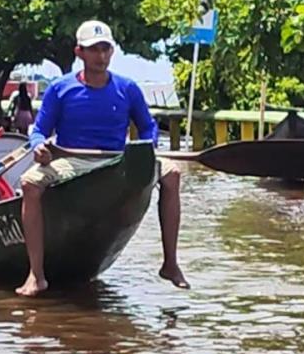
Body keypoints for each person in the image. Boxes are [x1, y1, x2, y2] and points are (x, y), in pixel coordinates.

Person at [15, 20, 188, 297]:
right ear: (79, 53)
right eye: (94, 50)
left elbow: (147, 126)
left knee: (172, 173)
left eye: (106, 49)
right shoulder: (60, 89)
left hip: (117, 160)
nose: (101, 56)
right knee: (30, 183)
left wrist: (146, 147)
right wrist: (39, 147)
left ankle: (170, 263)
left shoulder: (128, 88)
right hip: (73, 160)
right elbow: (39, 131)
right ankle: (36, 275)